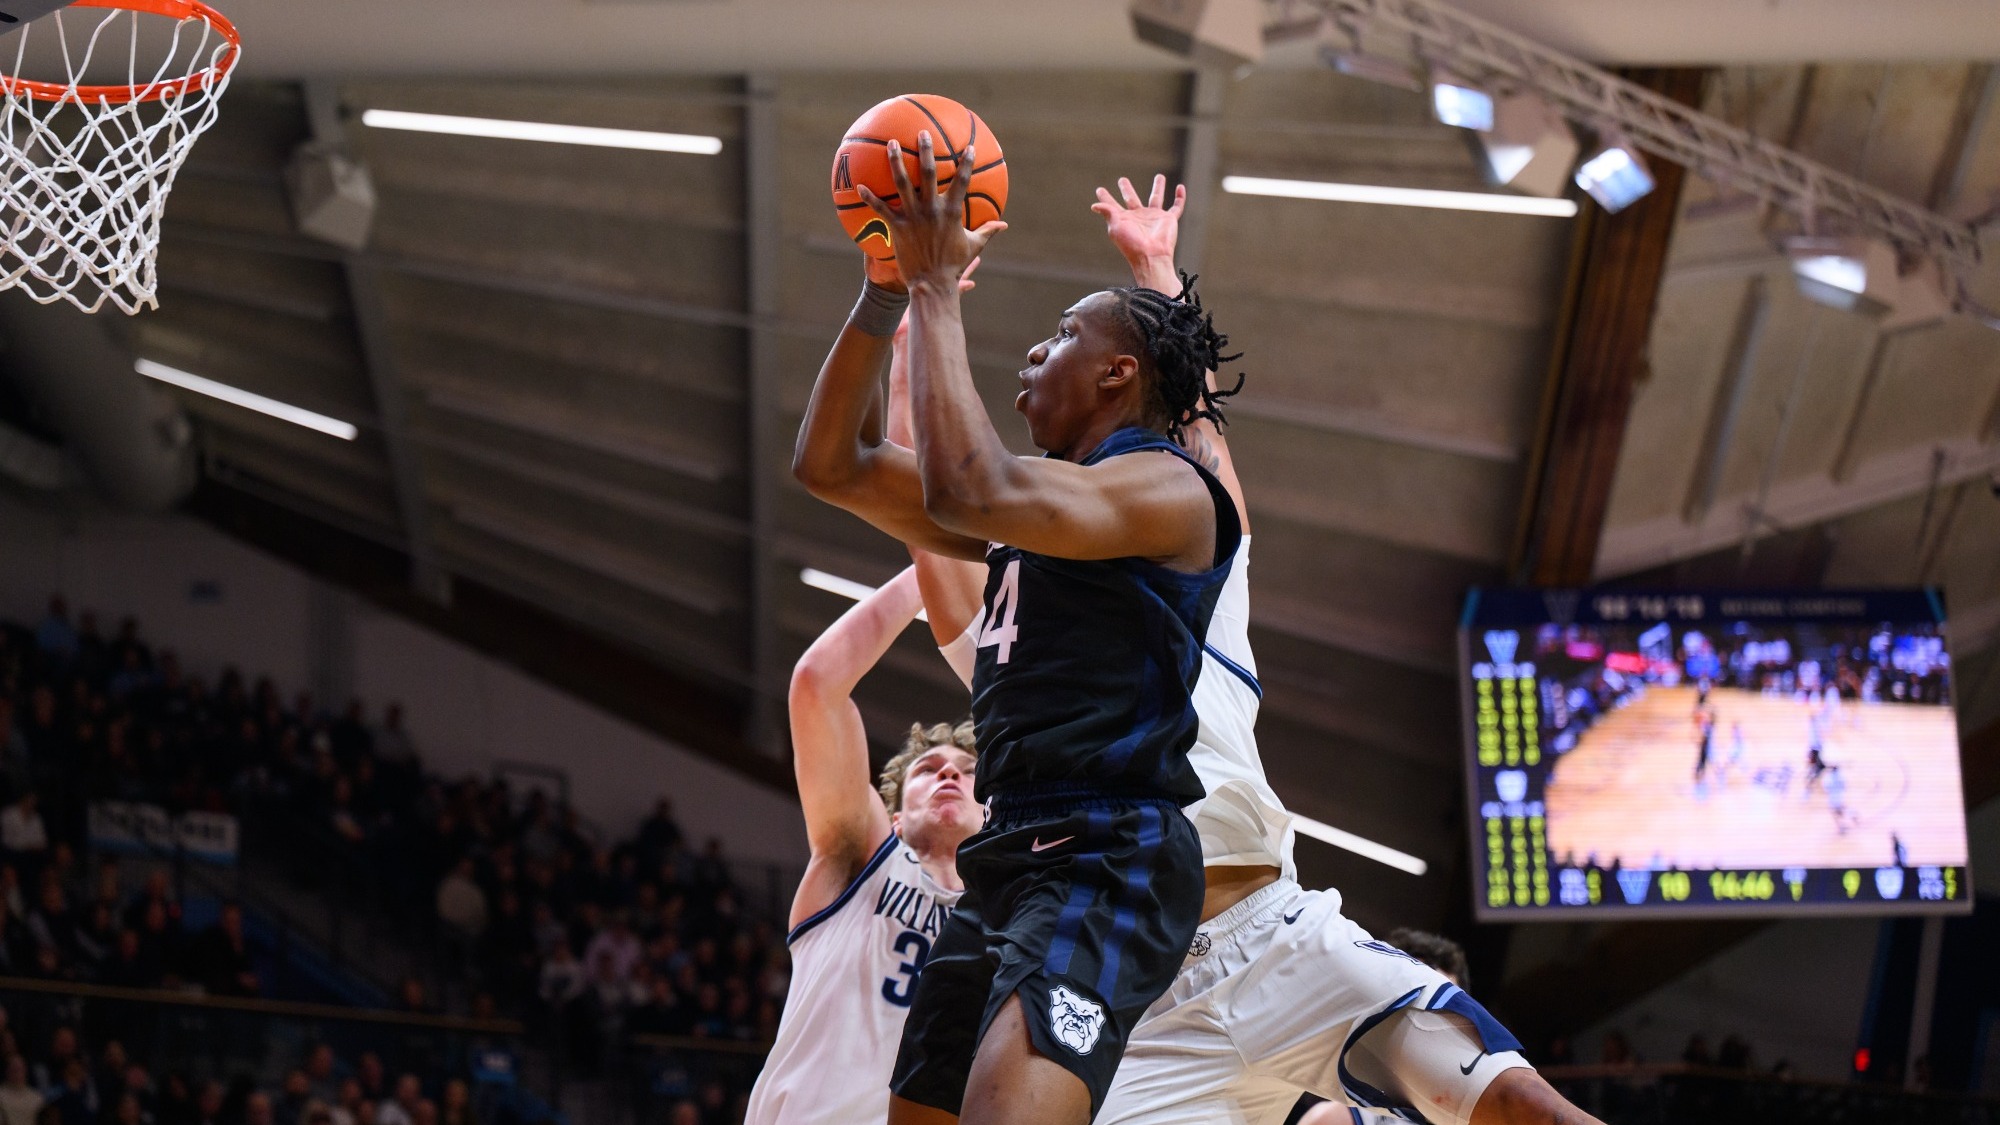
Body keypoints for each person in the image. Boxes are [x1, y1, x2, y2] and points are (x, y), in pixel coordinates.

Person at [906, 178, 1606, 1125]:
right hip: (1138, 1003)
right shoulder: (1024, 645)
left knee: (1521, 1105)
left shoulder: (1190, 567)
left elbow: (1201, 445)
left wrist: (1158, 274)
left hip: (1275, 933)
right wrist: (909, 340)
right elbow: (938, 522)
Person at [798, 133, 1242, 1125]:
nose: (1033, 354)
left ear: (1118, 373)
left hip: (1108, 853)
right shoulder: (1043, 504)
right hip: (1007, 855)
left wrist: (936, 287)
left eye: (1061, 334)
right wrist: (883, 290)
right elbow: (830, 464)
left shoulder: (1167, 489)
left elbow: (968, 486)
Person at [742, 564, 983, 1124]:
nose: (950, 774)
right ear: (894, 818)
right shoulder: (864, 856)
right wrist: (934, 565)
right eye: (929, 769)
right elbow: (817, 684)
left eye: (969, 771)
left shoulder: (1009, 910)